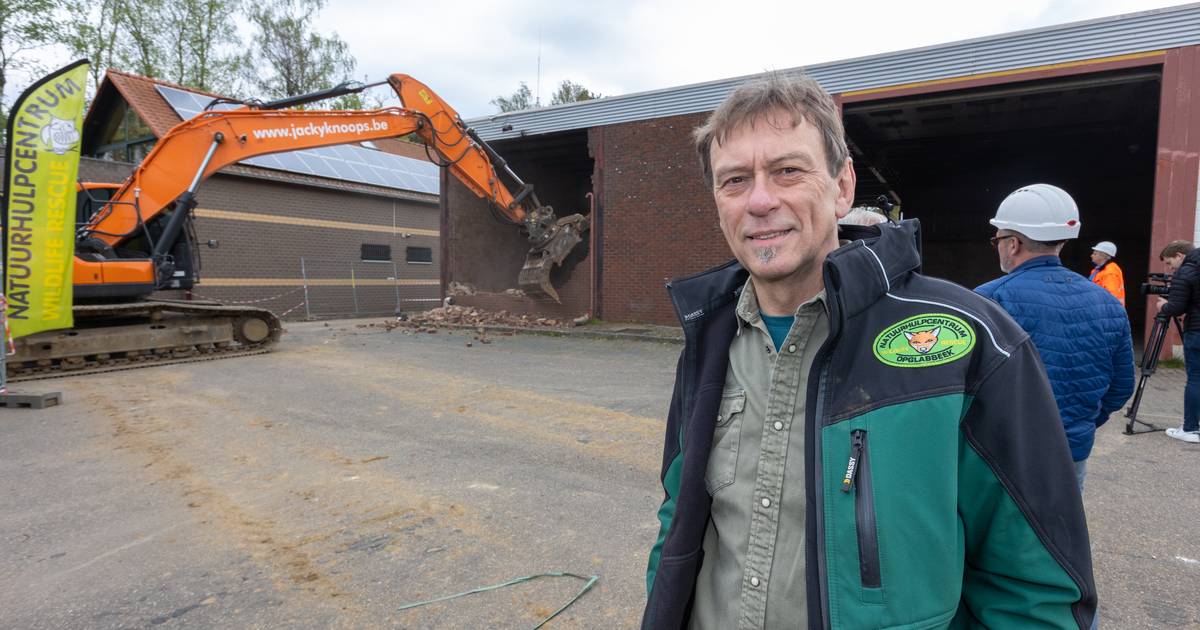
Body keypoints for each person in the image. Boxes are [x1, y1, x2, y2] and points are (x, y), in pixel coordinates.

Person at [642, 73, 1096, 630]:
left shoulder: (971, 340)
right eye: (734, 180)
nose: (760, 200)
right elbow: (677, 518)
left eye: (788, 170)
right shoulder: (709, 339)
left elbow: (1034, 588)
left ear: (841, 186)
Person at [975, 185, 1134, 492]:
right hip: (1071, 451)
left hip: (1003, 453)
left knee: (1003, 535)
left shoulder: (989, 299)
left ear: (1013, 244)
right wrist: (1079, 425)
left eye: (997, 240)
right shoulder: (1108, 303)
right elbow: (1121, 386)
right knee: (1062, 534)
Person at [1157, 239, 1200, 443]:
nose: (1169, 268)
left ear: (1180, 256)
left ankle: (1191, 428)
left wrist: (1163, 306)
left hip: (1197, 331)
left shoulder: (1186, 271)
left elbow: (1176, 307)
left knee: (1196, 378)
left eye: (1169, 262)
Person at [1088, 241, 1126, 305]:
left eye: (1095, 254)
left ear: (1103, 256)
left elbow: (1111, 297)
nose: (1091, 255)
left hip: (1108, 310)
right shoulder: (1097, 271)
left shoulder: (1110, 272)